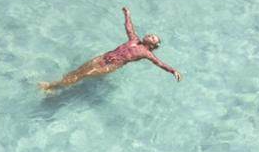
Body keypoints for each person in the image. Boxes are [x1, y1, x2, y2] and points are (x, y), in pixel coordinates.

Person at [39, 7, 182, 92]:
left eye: (152, 38)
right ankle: (55, 85)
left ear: (152, 45)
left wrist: (173, 70)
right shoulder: (134, 39)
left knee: (82, 75)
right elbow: (129, 27)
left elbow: (159, 63)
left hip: (111, 65)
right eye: (151, 35)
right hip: (103, 57)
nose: (150, 35)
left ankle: (51, 86)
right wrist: (127, 15)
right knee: (78, 71)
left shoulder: (146, 53)